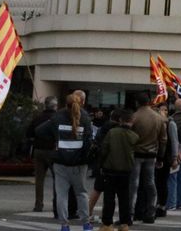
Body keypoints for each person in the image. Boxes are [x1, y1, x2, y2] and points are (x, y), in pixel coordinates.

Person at [37, 93, 94, 231]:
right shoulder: (85, 118)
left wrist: (55, 141)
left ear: (65, 104)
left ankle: (64, 225)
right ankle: (86, 224)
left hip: (60, 162)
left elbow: (39, 131)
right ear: (80, 103)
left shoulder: (57, 117)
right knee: (81, 193)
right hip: (79, 163)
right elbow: (88, 142)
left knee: (62, 194)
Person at [129, 92, 167, 224]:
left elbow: (129, 137)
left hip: (136, 154)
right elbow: (163, 140)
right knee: (150, 184)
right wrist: (161, 157)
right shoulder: (159, 118)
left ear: (137, 103)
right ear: (149, 102)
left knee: (133, 185)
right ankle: (151, 213)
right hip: (151, 155)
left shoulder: (134, 117)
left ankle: (130, 213)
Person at [99, 109, 138, 231]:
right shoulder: (134, 136)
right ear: (132, 121)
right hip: (126, 171)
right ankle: (124, 223)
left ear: (120, 120)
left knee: (109, 198)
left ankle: (107, 224)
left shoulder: (112, 132)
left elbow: (104, 150)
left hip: (110, 169)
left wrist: (101, 165)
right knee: (124, 198)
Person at [28, 96, 60, 213]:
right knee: (57, 179)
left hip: (38, 150)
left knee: (39, 180)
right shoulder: (57, 118)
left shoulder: (37, 118)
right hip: (52, 150)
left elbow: (29, 133)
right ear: (55, 106)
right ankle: (56, 205)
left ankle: (38, 204)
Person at [153, 104, 178, 218]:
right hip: (155, 157)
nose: (164, 111)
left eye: (166, 109)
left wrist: (174, 157)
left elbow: (174, 141)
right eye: (162, 109)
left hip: (165, 157)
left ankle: (162, 206)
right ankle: (156, 204)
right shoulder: (156, 123)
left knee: (162, 182)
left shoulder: (170, 124)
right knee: (156, 182)